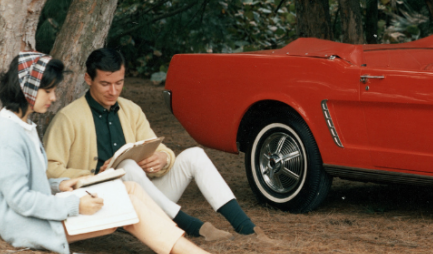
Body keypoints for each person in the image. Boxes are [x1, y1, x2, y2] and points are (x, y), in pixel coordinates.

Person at [0, 52, 241, 254]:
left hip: (44, 211)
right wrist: (74, 203)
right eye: (48, 91)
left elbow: (34, 185)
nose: (54, 97)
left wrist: (63, 184)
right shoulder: (7, 134)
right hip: (28, 224)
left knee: (131, 191)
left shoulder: (22, 125)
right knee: (127, 200)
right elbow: (19, 200)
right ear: (27, 91)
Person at [44, 48, 270, 242]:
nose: (113, 91)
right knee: (129, 168)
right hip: (101, 203)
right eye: (105, 84)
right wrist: (93, 174)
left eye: (119, 83)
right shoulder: (68, 118)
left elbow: (157, 148)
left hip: (147, 199)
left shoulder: (131, 110)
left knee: (195, 155)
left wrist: (163, 159)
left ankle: (246, 227)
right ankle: (190, 225)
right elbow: (50, 170)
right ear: (88, 79)